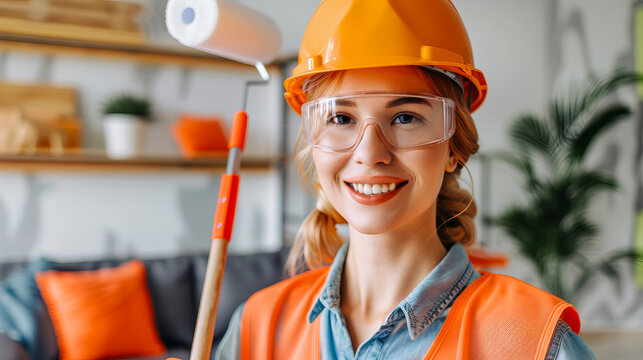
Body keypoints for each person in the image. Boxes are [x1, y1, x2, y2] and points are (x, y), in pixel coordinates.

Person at [217, 0, 597, 359]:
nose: (369, 153)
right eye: (341, 118)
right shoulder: (257, 327)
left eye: (405, 117)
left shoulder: (533, 341)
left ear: (454, 148)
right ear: (314, 143)